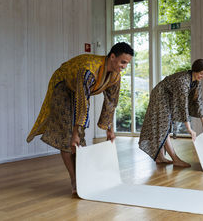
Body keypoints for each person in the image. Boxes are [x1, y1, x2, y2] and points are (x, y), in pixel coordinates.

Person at [26, 42, 134, 194]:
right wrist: (75, 133)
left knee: (79, 139)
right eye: (123, 62)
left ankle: (82, 177)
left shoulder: (115, 77)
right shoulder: (89, 69)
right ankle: (74, 180)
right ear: (112, 57)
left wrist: (110, 130)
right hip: (63, 87)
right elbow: (83, 103)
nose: (124, 66)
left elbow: (111, 102)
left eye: (127, 64)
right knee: (68, 137)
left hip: (78, 91)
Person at [139, 59, 203, 167]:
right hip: (160, 96)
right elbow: (183, 106)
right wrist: (189, 129)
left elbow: (198, 102)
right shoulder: (183, 81)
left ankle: (160, 157)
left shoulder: (196, 82)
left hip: (168, 98)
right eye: (201, 73)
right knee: (164, 125)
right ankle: (175, 159)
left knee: (165, 125)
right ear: (195, 70)